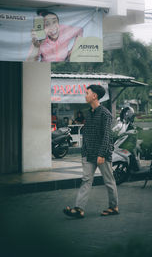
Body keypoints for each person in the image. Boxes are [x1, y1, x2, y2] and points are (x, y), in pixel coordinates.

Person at [63, 85, 119, 218]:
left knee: (109, 181)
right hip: (89, 154)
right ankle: (79, 209)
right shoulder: (89, 113)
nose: (85, 95)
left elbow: (107, 136)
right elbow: (86, 134)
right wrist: (84, 152)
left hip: (102, 155)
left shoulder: (105, 114)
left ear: (94, 96)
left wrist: (102, 154)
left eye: (87, 93)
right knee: (86, 180)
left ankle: (114, 207)